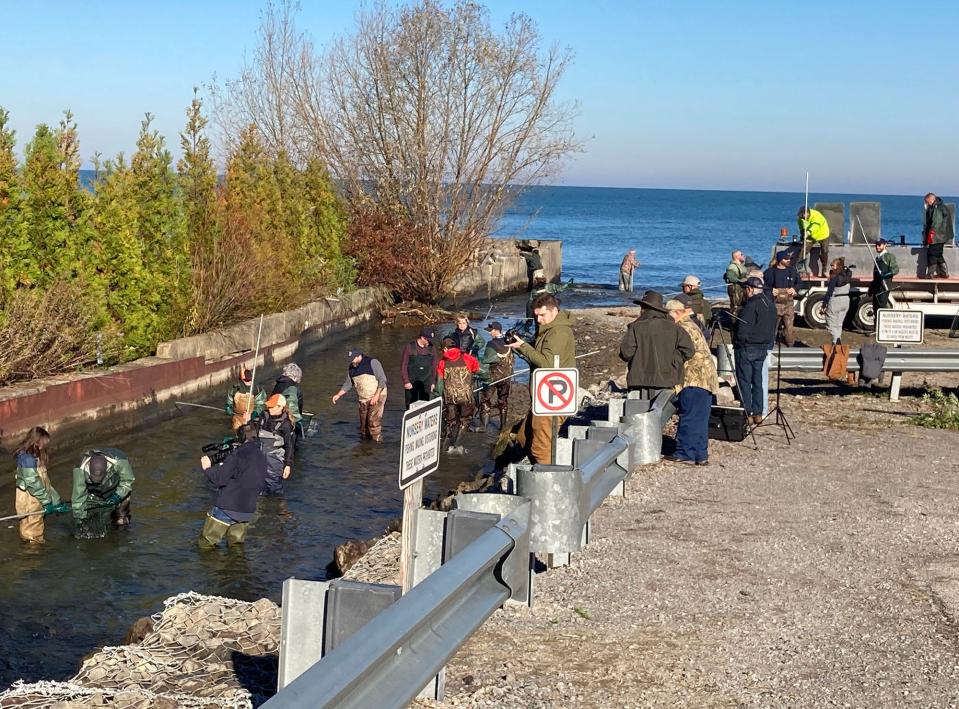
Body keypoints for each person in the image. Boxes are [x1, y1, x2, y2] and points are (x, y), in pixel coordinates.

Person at [506, 292, 576, 464]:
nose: (538, 320)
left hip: (552, 399)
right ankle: (530, 469)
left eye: (542, 315)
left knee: (540, 446)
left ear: (554, 311)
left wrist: (524, 347)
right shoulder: (548, 330)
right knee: (524, 436)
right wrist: (522, 346)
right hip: (544, 397)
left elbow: (547, 364)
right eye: (536, 316)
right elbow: (542, 356)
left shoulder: (558, 332)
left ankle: (546, 480)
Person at [664, 296, 718, 466]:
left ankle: (684, 452)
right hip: (707, 377)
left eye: (669, 314)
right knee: (701, 418)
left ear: (677, 312)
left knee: (689, 415)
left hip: (694, 377)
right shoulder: (693, 325)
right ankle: (701, 454)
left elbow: (684, 353)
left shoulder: (682, 328)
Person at [198, 422, 268, 549]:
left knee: (206, 546)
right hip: (247, 512)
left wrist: (207, 468)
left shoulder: (237, 454)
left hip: (226, 508)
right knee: (236, 549)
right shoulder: (262, 457)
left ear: (240, 438)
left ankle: (210, 568)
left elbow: (219, 479)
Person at [618, 290, 694, 399]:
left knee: (637, 412)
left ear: (644, 309)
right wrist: (673, 360)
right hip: (667, 379)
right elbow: (689, 351)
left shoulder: (636, 327)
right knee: (661, 413)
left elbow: (626, 353)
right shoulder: (676, 328)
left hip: (639, 379)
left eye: (641, 308)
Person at [733, 277, 777, 424]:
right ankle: (758, 412)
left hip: (748, 347)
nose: (745, 292)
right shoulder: (770, 304)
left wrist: (738, 342)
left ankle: (747, 412)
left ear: (750, 289)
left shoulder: (751, 305)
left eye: (745, 289)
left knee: (745, 381)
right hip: (762, 347)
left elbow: (742, 330)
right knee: (757, 380)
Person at [13, 426, 68, 543]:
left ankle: (36, 547)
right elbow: (32, 483)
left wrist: (56, 500)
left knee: (37, 526)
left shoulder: (37, 457)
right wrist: (47, 501)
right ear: (37, 442)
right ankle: (32, 554)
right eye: (45, 443)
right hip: (30, 498)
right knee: (31, 530)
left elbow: (45, 483)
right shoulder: (26, 459)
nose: (46, 446)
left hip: (39, 496)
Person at [71, 448, 135, 538]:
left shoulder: (120, 462)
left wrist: (117, 496)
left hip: (117, 487)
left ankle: (121, 537)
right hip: (93, 492)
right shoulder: (80, 469)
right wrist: (79, 519)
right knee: (90, 516)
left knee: (121, 518)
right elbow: (78, 497)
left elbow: (127, 481)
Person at [332, 349, 388, 442]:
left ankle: (377, 444)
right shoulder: (352, 367)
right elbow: (348, 384)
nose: (351, 361)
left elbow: (382, 380)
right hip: (363, 398)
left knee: (373, 423)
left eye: (352, 359)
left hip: (378, 394)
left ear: (358, 356)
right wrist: (338, 395)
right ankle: (365, 447)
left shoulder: (372, 362)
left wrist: (376, 395)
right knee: (363, 427)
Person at [436, 337, 481, 451]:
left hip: (449, 397)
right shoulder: (468, 358)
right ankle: (456, 443)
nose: (442, 352)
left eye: (443, 349)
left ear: (446, 349)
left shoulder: (442, 362)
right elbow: (477, 370)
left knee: (450, 421)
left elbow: (440, 384)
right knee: (464, 420)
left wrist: (437, 396)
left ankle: (444, 446)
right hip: (466, 396)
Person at [477, 322, 514, 431]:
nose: (489, 333)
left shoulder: (491, 344)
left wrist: (478, 361)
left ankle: (484, 426)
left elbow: (488, 360)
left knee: (485, 400)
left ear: (496, 330)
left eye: (490, 330)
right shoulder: (508, 342)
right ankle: (502, 426)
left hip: (493, 376)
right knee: (503, 400)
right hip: (507, 376)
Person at [256, 393, 296, 494]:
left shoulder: (286, 424)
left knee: (275, 490)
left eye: (272, 407)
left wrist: (288, 465)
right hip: (260, 459)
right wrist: (248, 422)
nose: (269, 409)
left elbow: (289, 446)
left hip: (275, 463)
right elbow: (253, 433)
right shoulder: (263, 416)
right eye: (268, 406)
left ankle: (278, 507)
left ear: (280, 407)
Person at [763, 251, 801, 347]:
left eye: (789, 259)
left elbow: (800, 283)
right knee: (773, 326)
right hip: (775, 304)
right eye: (786, 259)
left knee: (789, 326)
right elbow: (763, 285)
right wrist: (771, 290)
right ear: (780, 260)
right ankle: (770, 344)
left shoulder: (792, 271)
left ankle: (790, 344)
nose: (788, 260)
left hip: (789, 304)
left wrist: (794, 288)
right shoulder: (770, 272)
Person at [401, 326, 438, 410]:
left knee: (425, 405)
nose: (429, 341)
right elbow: (404, 365)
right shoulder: (410, 347)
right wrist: (406, 381)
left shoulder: (432, 348)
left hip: (426, 381)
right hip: (411, 381)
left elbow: (435, 366)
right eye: (428, 339)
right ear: (422, 337)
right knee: (410, 405)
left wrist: (433, 382)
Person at [822, 257, 852, 344]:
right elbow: (848, 271)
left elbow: (829, 292)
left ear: (837, 266)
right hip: (846, 300)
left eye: (832, 265)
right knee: (839, 324)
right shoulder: (847, 276)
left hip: (836, 300)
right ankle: (838, 340)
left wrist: (824, 305)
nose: (831, 267)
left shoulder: (834, 278)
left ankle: (835, 340)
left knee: (830, 323)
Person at [923, 192, 951, 278]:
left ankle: (930, 274)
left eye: (927, 202)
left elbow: (936, 222)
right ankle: (944, 273)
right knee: (938, 254)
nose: (926, 204)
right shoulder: (940, 206)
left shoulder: (937, 208)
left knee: (932, 254)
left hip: (937, 236)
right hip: (942, 235)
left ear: (932, 199)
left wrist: (931, 235)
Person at [798, 206, 831, 275]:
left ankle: (824, 268)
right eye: (800, 215)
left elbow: (815, 226)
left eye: (803, 215)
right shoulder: (800, 219)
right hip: (810, 237)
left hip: (822, 235)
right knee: (803, 251)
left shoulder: (816, 215)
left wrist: (808, 232)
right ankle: (799, 269)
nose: (802, 217)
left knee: (824, 251)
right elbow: (800, 226)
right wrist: (802, 233)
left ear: (807, 213)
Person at [272, 363, 304, 429]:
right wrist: (298, 423)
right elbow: (292, 408)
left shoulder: (278, 384)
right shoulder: (293, 388)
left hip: (272, 418)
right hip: (284, 424)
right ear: (296, 376)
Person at [870, 238, 899, 312]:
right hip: (876, 286)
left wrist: (885, 275)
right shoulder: (877, 258)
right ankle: (876, 322)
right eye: (876, 245)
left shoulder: (889, 256)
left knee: (881, 306)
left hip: (884, 286)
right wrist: (871, 286)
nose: (877, 247)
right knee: (875, 307)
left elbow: (895, 270)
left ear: (885, 245)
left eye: (879, 245)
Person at [724, 250, 749, 314]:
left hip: (742, 288)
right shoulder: (732, 266)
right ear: (737, 256)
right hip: (735, 289)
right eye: (741, 254)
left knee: (743, 305)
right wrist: (740, 281)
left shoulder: (741, 266)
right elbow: (730, 277)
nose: (743, 256)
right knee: (736, 307)